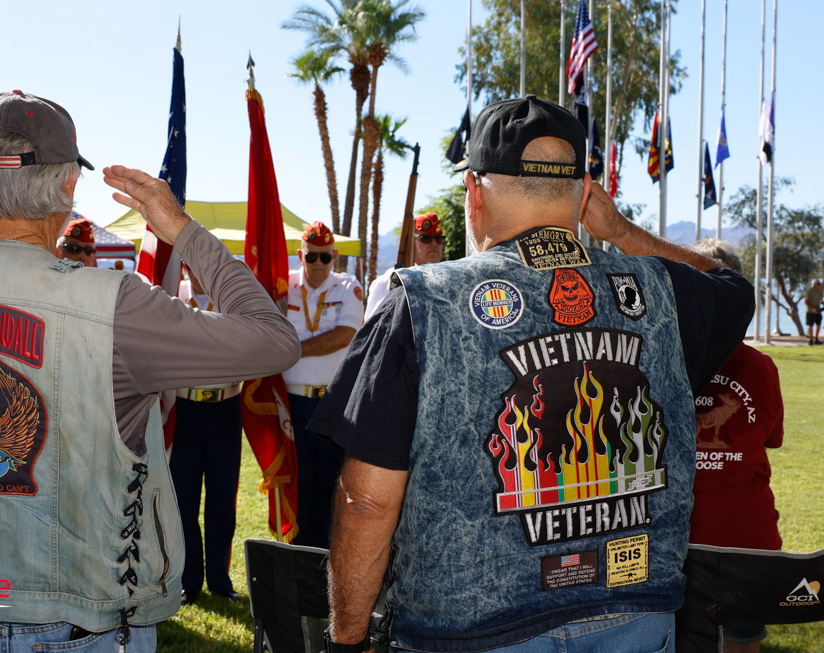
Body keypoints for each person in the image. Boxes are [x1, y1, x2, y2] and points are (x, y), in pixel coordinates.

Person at [0, 90, 300, 653]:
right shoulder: (116, 304)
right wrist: (184, 232)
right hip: (86, 624)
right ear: (68, 187)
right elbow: (275, 340)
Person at [310, 95, 754, 652]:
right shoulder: (661, 290)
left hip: (469, 630)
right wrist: (621, 233)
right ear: (583, 194)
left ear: (473, 193)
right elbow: (734, 289)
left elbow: (368, 501)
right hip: (633, 617)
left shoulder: (422, 302)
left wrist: (346, 641)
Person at [680, 238, 783, 653]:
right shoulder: (759, 367)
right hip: (749, 538)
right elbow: (770, 437)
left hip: (686, 543)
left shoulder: (670, 361)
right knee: (742, 641)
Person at [284, 221, 363, 548]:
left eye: (325, 258)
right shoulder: (282, 285)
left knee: (330, 485)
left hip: (332, 403)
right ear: (300, 255)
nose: (318, 264)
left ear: (335, 257)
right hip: (292, 403)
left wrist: (292, 350)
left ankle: (328, 560)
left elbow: (346, 335)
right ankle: (298, 557)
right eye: (311, 257)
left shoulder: (347, 287)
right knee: (299, 484)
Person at [170, 264, 244, 606]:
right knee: (184, 499)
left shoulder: (231, 298)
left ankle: (219, 578)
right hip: (184, 410)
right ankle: (189, 580)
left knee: (222, 498)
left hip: (224, 410)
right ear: (185, 265)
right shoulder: (172, 295)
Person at [364, 212, 445, 317]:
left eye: (438, 239)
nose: (434, 243)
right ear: (411, 242)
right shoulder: (389, 280)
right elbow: (374, 327)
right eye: (426, 238)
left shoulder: (446, 279)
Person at [804, 279, 822, 345]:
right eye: (819, 284)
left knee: (818, 325)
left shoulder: (820, 291)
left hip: (818, 311)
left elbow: (820, 300)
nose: (820, 285)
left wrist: (822, 303)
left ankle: (816, 339)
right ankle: (811, 340)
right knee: (811, 326)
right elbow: (806, 302)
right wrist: (812, 309)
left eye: (820, 284)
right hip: (810, 312)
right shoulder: (810, 291)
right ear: (814, 285)